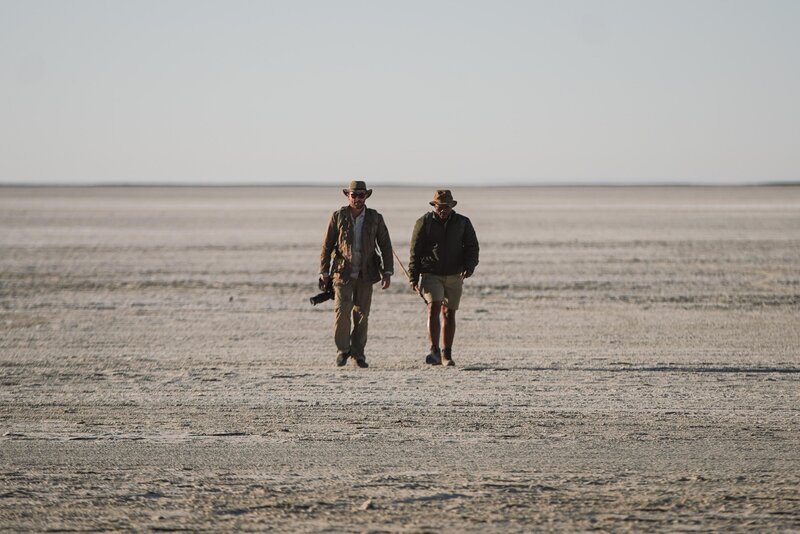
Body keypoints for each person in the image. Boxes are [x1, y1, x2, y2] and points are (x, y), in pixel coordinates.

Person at [319, 180, 393, 368]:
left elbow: (385, 245)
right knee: (342, 312)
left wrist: (387, 271)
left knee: (362, 315)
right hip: (342, 273)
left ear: (366, 196)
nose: (358, 199)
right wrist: (324, 272)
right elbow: (327, 246)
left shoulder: (375, 218)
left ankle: (358, 355)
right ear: (347, 195)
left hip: (366, 273)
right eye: (354, 195)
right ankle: (342, 351)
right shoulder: (338, 216)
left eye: (361, 195)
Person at [408, 189, 479, 366]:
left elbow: (472, 247)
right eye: (440, 206)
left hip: (455, 275)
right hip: (431, 274)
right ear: (435, 205)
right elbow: (414, 251)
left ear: (451, 206)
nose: (443, 209)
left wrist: (470, 266)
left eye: (446, 206)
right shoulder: (424, 222)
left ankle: (447, 353)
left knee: (449, 313)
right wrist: (413, 277)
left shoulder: (462, 222)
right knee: (434, 308)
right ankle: (434, 351)